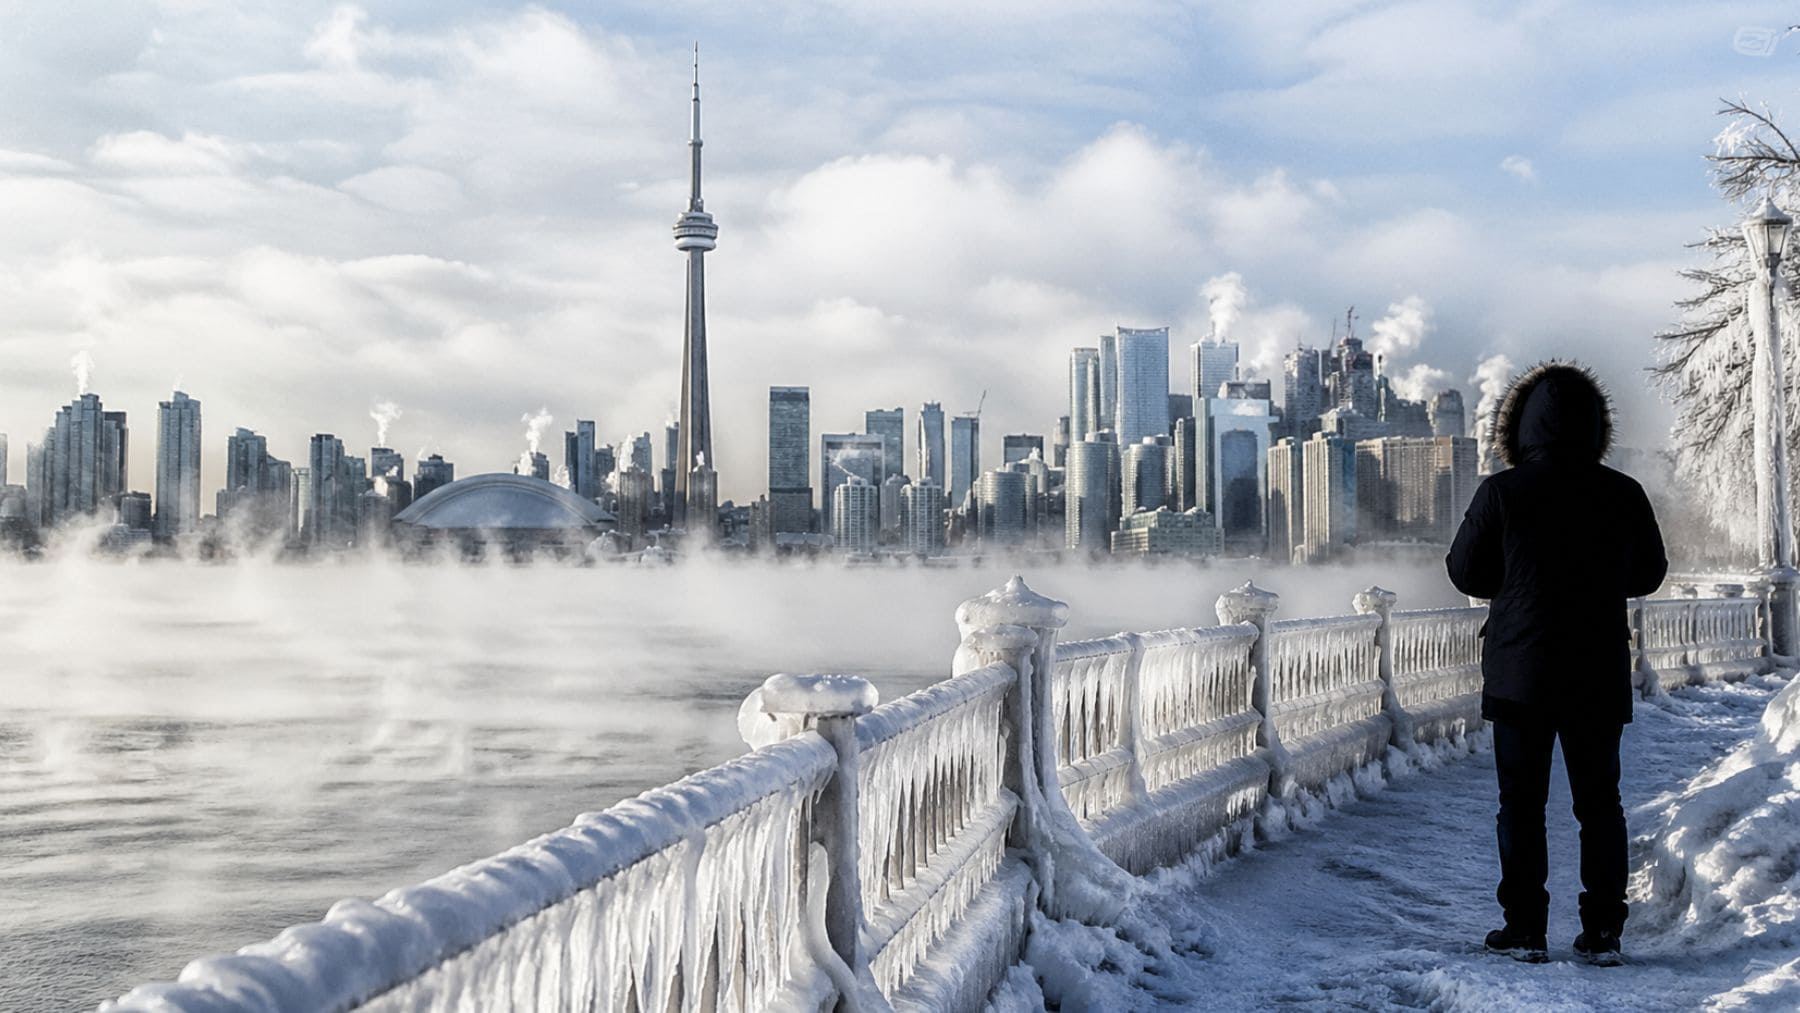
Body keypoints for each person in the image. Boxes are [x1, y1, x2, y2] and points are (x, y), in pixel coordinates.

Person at [1446, 361, 1667, 966]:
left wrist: (1515, 583)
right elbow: (1650, 573)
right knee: (1600, 805)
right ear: (1596, 427)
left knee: (1521, 804)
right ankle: (1603, 934)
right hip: (1596, 671)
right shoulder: (1622, 493)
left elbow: (1466, 571)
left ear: (1521, 427)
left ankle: (1524, 929)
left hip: (1521, 674)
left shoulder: (1502, 492)